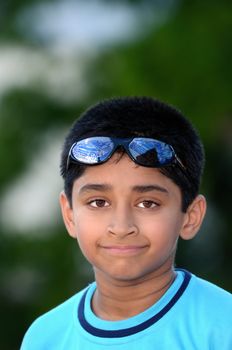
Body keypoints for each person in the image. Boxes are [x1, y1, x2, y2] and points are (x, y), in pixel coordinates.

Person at [20, 97, 232, 349]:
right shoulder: (45, 337)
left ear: (190, 216)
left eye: (148, 203)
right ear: (69, 214)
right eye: (98, 202)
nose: (121, 226)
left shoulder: (222, 327)